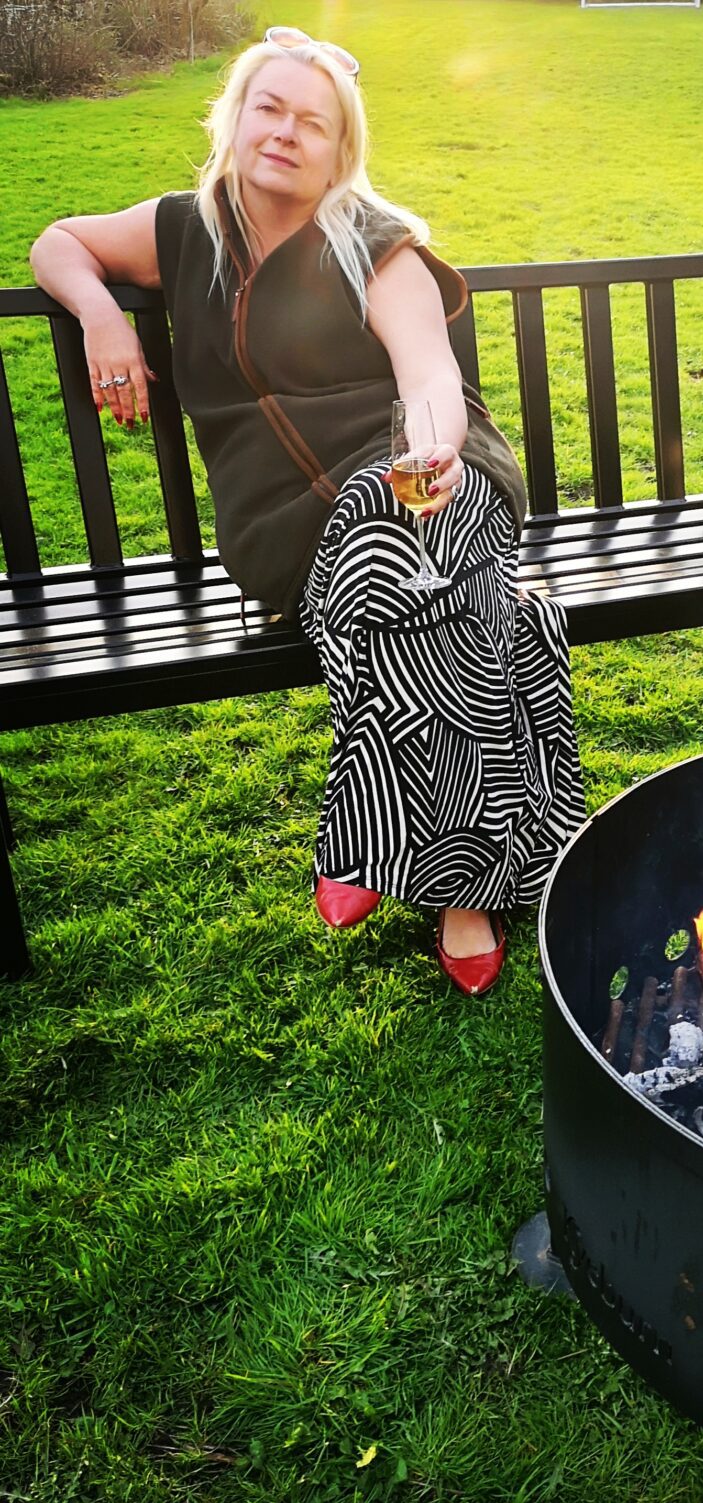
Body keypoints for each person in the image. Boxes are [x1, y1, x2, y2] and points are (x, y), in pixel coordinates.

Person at [29, 26, 585, 997]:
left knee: (401, 538)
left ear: (340, 150)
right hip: (284, 535)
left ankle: (423, 868)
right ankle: (476, 837)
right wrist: (101, 313)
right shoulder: (180, 231)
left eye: (312, 121)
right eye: (268, 107)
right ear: (236, 118)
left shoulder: (373, 242)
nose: (285, 131)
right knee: (498, 612)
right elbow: (57, 242)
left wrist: (432, 449)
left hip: (437, 483)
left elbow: (429, 375)